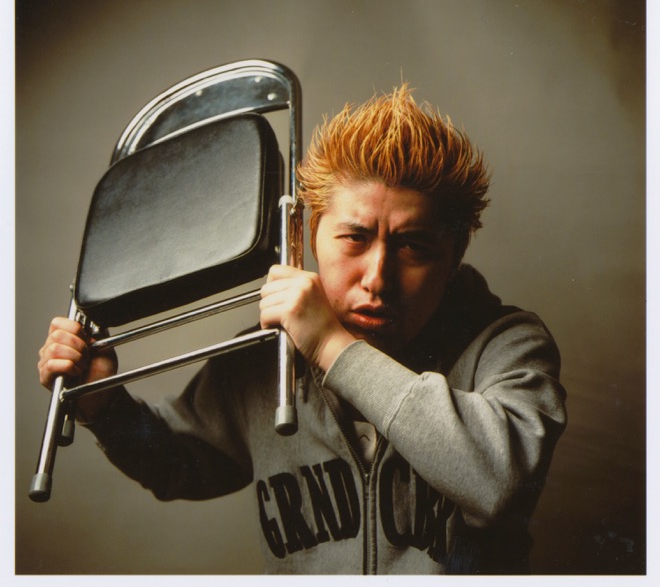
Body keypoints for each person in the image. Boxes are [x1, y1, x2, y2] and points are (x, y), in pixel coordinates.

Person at [38, 85, 567, 575]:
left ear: (454, 256)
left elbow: (498, 482)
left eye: (414, 246)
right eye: (355, 238)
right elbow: (179, 464)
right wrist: (104, 405)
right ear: (310, 234)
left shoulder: (509, 344)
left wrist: (331, 347)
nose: (377, 278)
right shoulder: (265, 357)